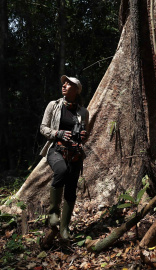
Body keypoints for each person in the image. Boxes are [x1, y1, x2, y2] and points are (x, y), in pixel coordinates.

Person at [40, 75, 89, 240]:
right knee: (60, 171)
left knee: (71, 188)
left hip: (75, 153)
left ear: (76, 90)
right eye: (64, 83)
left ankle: (64, 229)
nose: (65, 85)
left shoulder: (83, 111)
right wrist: (57, 133)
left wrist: (83, 135)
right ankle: (53, 214)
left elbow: (83, 134)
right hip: (56, 149)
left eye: (69, 84)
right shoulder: (53, 106)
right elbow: (43, 127)